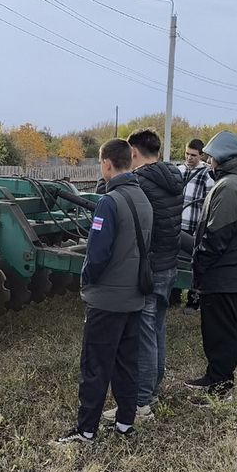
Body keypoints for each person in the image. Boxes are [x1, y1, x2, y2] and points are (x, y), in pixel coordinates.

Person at [59, 139, 153, 444]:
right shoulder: (143, 198)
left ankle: (86, 430)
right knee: (126, 364)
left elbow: (97, 255)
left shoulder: (109, 202)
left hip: (107, 300)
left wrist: (86, 280)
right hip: (133, 297)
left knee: (95, 365)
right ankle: (125, 423)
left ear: (107, 163)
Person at [96, 128, 182, 424]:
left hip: (148, 268)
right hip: (168, 264)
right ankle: (151, 390)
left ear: (133, 153)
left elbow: (110, 199)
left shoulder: (141, 182)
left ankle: (140, 403)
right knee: (156, 328)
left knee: (144, 335)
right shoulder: (173, 176)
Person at [184, 131, 237, 398]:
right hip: (227, 273)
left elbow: (217, 235)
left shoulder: (230, 186)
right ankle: (214, 376)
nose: (208, 161)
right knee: (217, 332)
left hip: (222, 274)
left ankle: (220, 387)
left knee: (221, 334)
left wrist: (200, 262)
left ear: (222, 156)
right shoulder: (236, 182)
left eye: (211, 156)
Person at [177, 138, 214, 311]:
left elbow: (208, 202)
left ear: (200, 155)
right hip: (178, 223)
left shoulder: (206, 174)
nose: (189, 157)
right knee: (175, 260)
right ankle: (174, 295)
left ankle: (193, 300)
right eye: (187, 154)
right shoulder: (179, 171)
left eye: (193, 155)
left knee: (194, 263)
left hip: (194, 225)